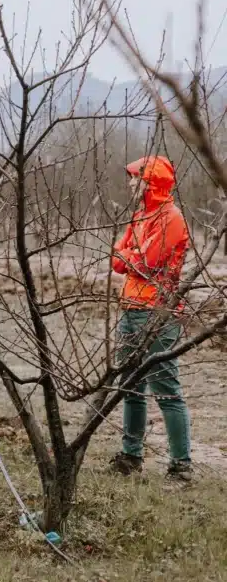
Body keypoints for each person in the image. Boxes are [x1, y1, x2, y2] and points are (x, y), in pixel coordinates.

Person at [109, 154, 192, 481]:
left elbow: (147, 264)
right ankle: (130, 457)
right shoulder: (140, 216)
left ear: (152, 182)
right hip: (130, 308)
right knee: (130, 387)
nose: (131, 183)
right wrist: (129, 255)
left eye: (136, 178)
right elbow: (118, 261)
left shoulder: (171, 218)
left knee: (167, 391)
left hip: (158, 313)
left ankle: (181, 467)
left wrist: (128, 255)